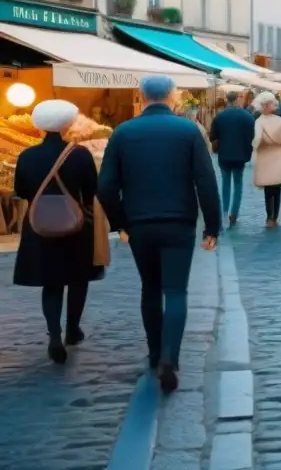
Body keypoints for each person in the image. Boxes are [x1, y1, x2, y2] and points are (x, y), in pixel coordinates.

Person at [98, 75, 221, 394]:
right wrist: (212, 225)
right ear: (172, 96)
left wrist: (120, 222)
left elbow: (107, 186)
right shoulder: (187, 131)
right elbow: (205, 181)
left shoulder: (122, 132)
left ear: (142, 96)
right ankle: (171, 358)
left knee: (149, 288)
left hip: (139, 222)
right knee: (176, 291)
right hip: (179, 220)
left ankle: (155, 353)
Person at [13, 100, 105, 364]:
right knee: (77, 279)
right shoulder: (80, 155)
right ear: (67, 123)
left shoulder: (27, 156)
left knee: (51, 282)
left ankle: (54, 334)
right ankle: (73, 329)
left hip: (39, 226)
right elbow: (90, 192)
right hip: (75, 226)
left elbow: (21, 192)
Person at [209, 92, 256, 227]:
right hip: (241, 155)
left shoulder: (220, 116)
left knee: (225, 183)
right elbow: (253, 135)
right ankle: (234, 213)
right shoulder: (247, 116)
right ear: (237, 100)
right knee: (238, 183)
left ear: (227, 100)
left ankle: (224, 211)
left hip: (224, 155)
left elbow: (212, 137)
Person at [251, 92, 281, 228]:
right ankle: (275, 217)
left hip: (264, 156)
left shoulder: (259, 122)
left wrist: (254, 149)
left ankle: (269, 217)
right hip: (279, 155)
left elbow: (257, 139)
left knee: (267, 190)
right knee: (277, 189)